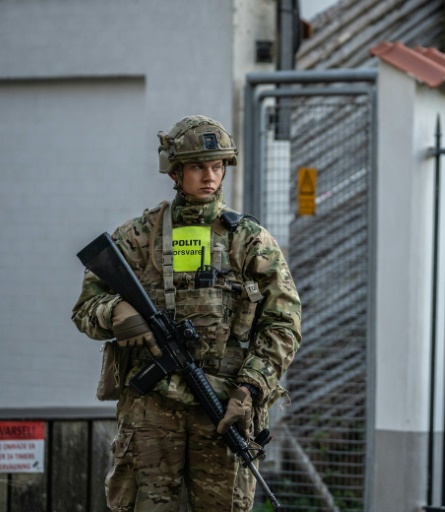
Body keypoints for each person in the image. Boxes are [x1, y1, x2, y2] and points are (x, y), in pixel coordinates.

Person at [72, 115, 301, 512]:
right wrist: (115, 311)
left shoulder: (248, 241)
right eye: (198, 166)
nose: (210, 176)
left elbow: (283, 322)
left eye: (217, 166)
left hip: (223, 406)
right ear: (175, 172)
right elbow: (85, 309)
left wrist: (250, 387)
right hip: (151, 413)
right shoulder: (139, 237)